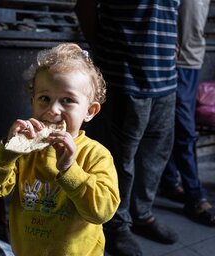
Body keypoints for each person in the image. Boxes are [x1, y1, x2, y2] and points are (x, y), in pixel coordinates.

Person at [0, 43, 120, 256]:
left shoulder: (96, 155)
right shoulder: (22, 151)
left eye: (67, 100)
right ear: (32, 101)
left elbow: (102, 212)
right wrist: (6, 153)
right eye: (44, 98)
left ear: (89, 111)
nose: (53, 110)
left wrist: (69, 169)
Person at [76, 1, 180, 255]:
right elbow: (84, 6)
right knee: (119, 158)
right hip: (125, 76)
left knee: (155, 154)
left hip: (165, 78)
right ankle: (116, 226)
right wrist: (105, 52)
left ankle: (142, 214)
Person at [159, 0, 215, 226]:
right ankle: (195, 194)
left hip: (192, 58)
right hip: (173, 60)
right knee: (184, 129)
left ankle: (171, 181)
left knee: (177, 125)